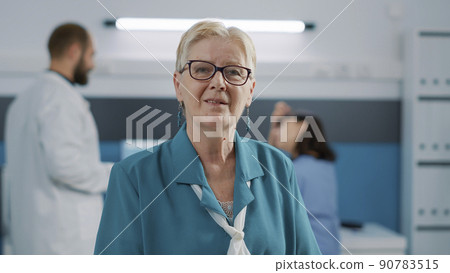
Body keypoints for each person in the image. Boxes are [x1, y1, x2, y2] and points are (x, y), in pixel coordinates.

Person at [94, 20, 320, 255]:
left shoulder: (278, 168)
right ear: (178, 86)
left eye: (233, 72)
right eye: (202, 69)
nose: (219, 83)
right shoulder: (134, 177)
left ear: (250, 90)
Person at [3, 23, 113, 254]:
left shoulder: (22, 102)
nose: (92, 64)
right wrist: (116, 173)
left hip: (31, 235)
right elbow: (64, 167)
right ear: (74, 51)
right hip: (64, 239)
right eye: (91, 55)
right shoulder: (61, 100)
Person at [268, 102, 341, 255]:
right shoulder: (324, 166)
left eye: (283, 128)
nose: (278, 134)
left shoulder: (295, 170)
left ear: (301, 130)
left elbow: (267, 191)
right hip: (329, 248)